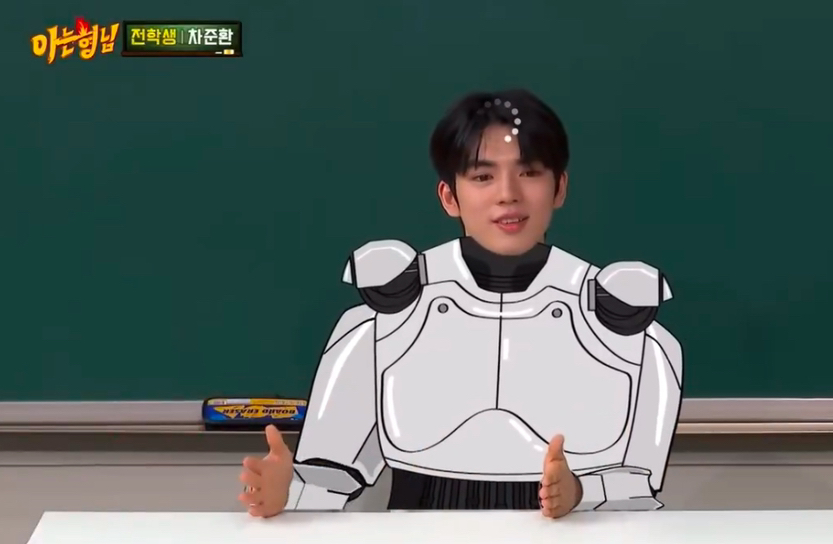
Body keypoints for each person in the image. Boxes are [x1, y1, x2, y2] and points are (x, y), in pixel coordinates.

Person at [237, 88, 684, 519]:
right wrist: (287, 492)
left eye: (529, 172)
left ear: (559, 187)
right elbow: (329, 475)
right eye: (483, 176)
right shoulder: (383, 316)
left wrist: (582, 492)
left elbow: (637, 487)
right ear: (450, 196)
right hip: (422, 524)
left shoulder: (627, 323)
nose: (508, 193)